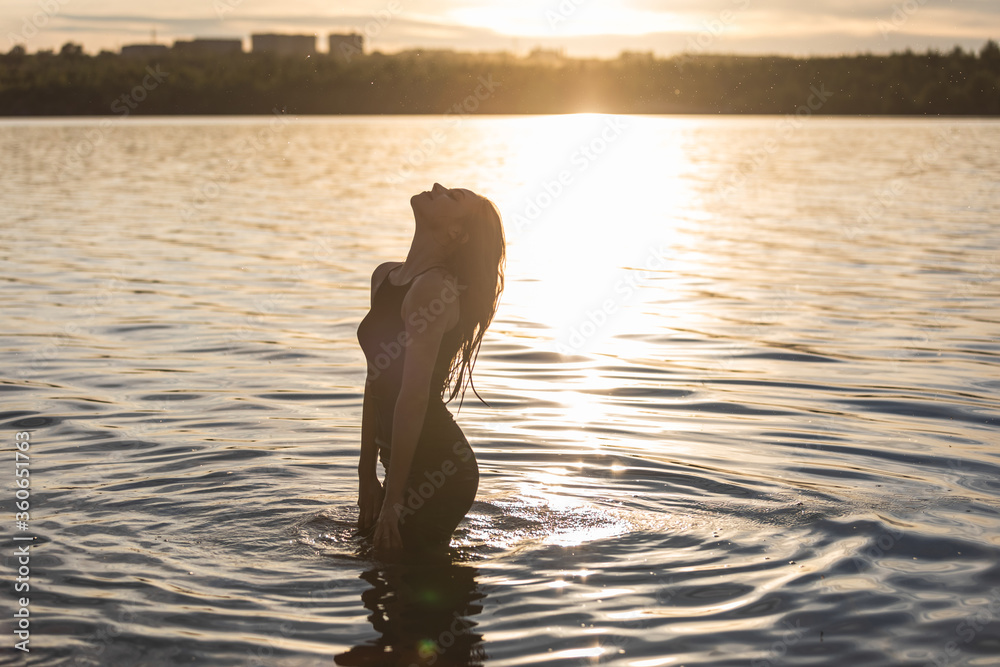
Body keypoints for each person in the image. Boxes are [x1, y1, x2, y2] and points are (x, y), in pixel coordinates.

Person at [356, 182, 505, 555]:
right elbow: (376, 380)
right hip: (400, 461)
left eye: (452, 196)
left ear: (457, 233)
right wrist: (366, 473)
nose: (437, 186)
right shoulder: (385, 277)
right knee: (377, 572)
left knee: (405, 580)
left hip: (440, 470)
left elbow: (412, 398)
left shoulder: (434, 291)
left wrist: (393, 502)